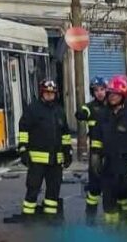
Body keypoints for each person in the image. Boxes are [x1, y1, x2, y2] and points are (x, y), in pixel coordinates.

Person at [16, 79, 73, 222]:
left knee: (53, 190)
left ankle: (51, 217)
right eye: (47, 93)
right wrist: (23, 149)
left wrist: (68, 152)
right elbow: (23, 129)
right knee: (33, 188)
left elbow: (65, 134)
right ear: (42, 93)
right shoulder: (33, 109)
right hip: (37, 160)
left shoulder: (59, 111)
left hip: (56, 159)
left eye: (52, 93)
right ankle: (28, 216)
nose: (49, 95)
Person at [96, 75, 127, 225]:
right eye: (110, 93)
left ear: (123, 95)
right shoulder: (103, 114)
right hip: (110, 165)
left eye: (116, 94)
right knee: (110, 202)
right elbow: (97, 139)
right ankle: (113, 233)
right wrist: (96, 158)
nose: (112, 97)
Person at [75, 77, 108, 221]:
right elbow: (82, 112)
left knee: (112, 186)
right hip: (96, 153)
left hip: (112, 151)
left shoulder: (113, 104)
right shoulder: (90, 107)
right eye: (96, 90)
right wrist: (81, 114)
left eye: (102, 89)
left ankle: (113, 219)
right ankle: (90, 218)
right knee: (94, 186)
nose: (100, 93)